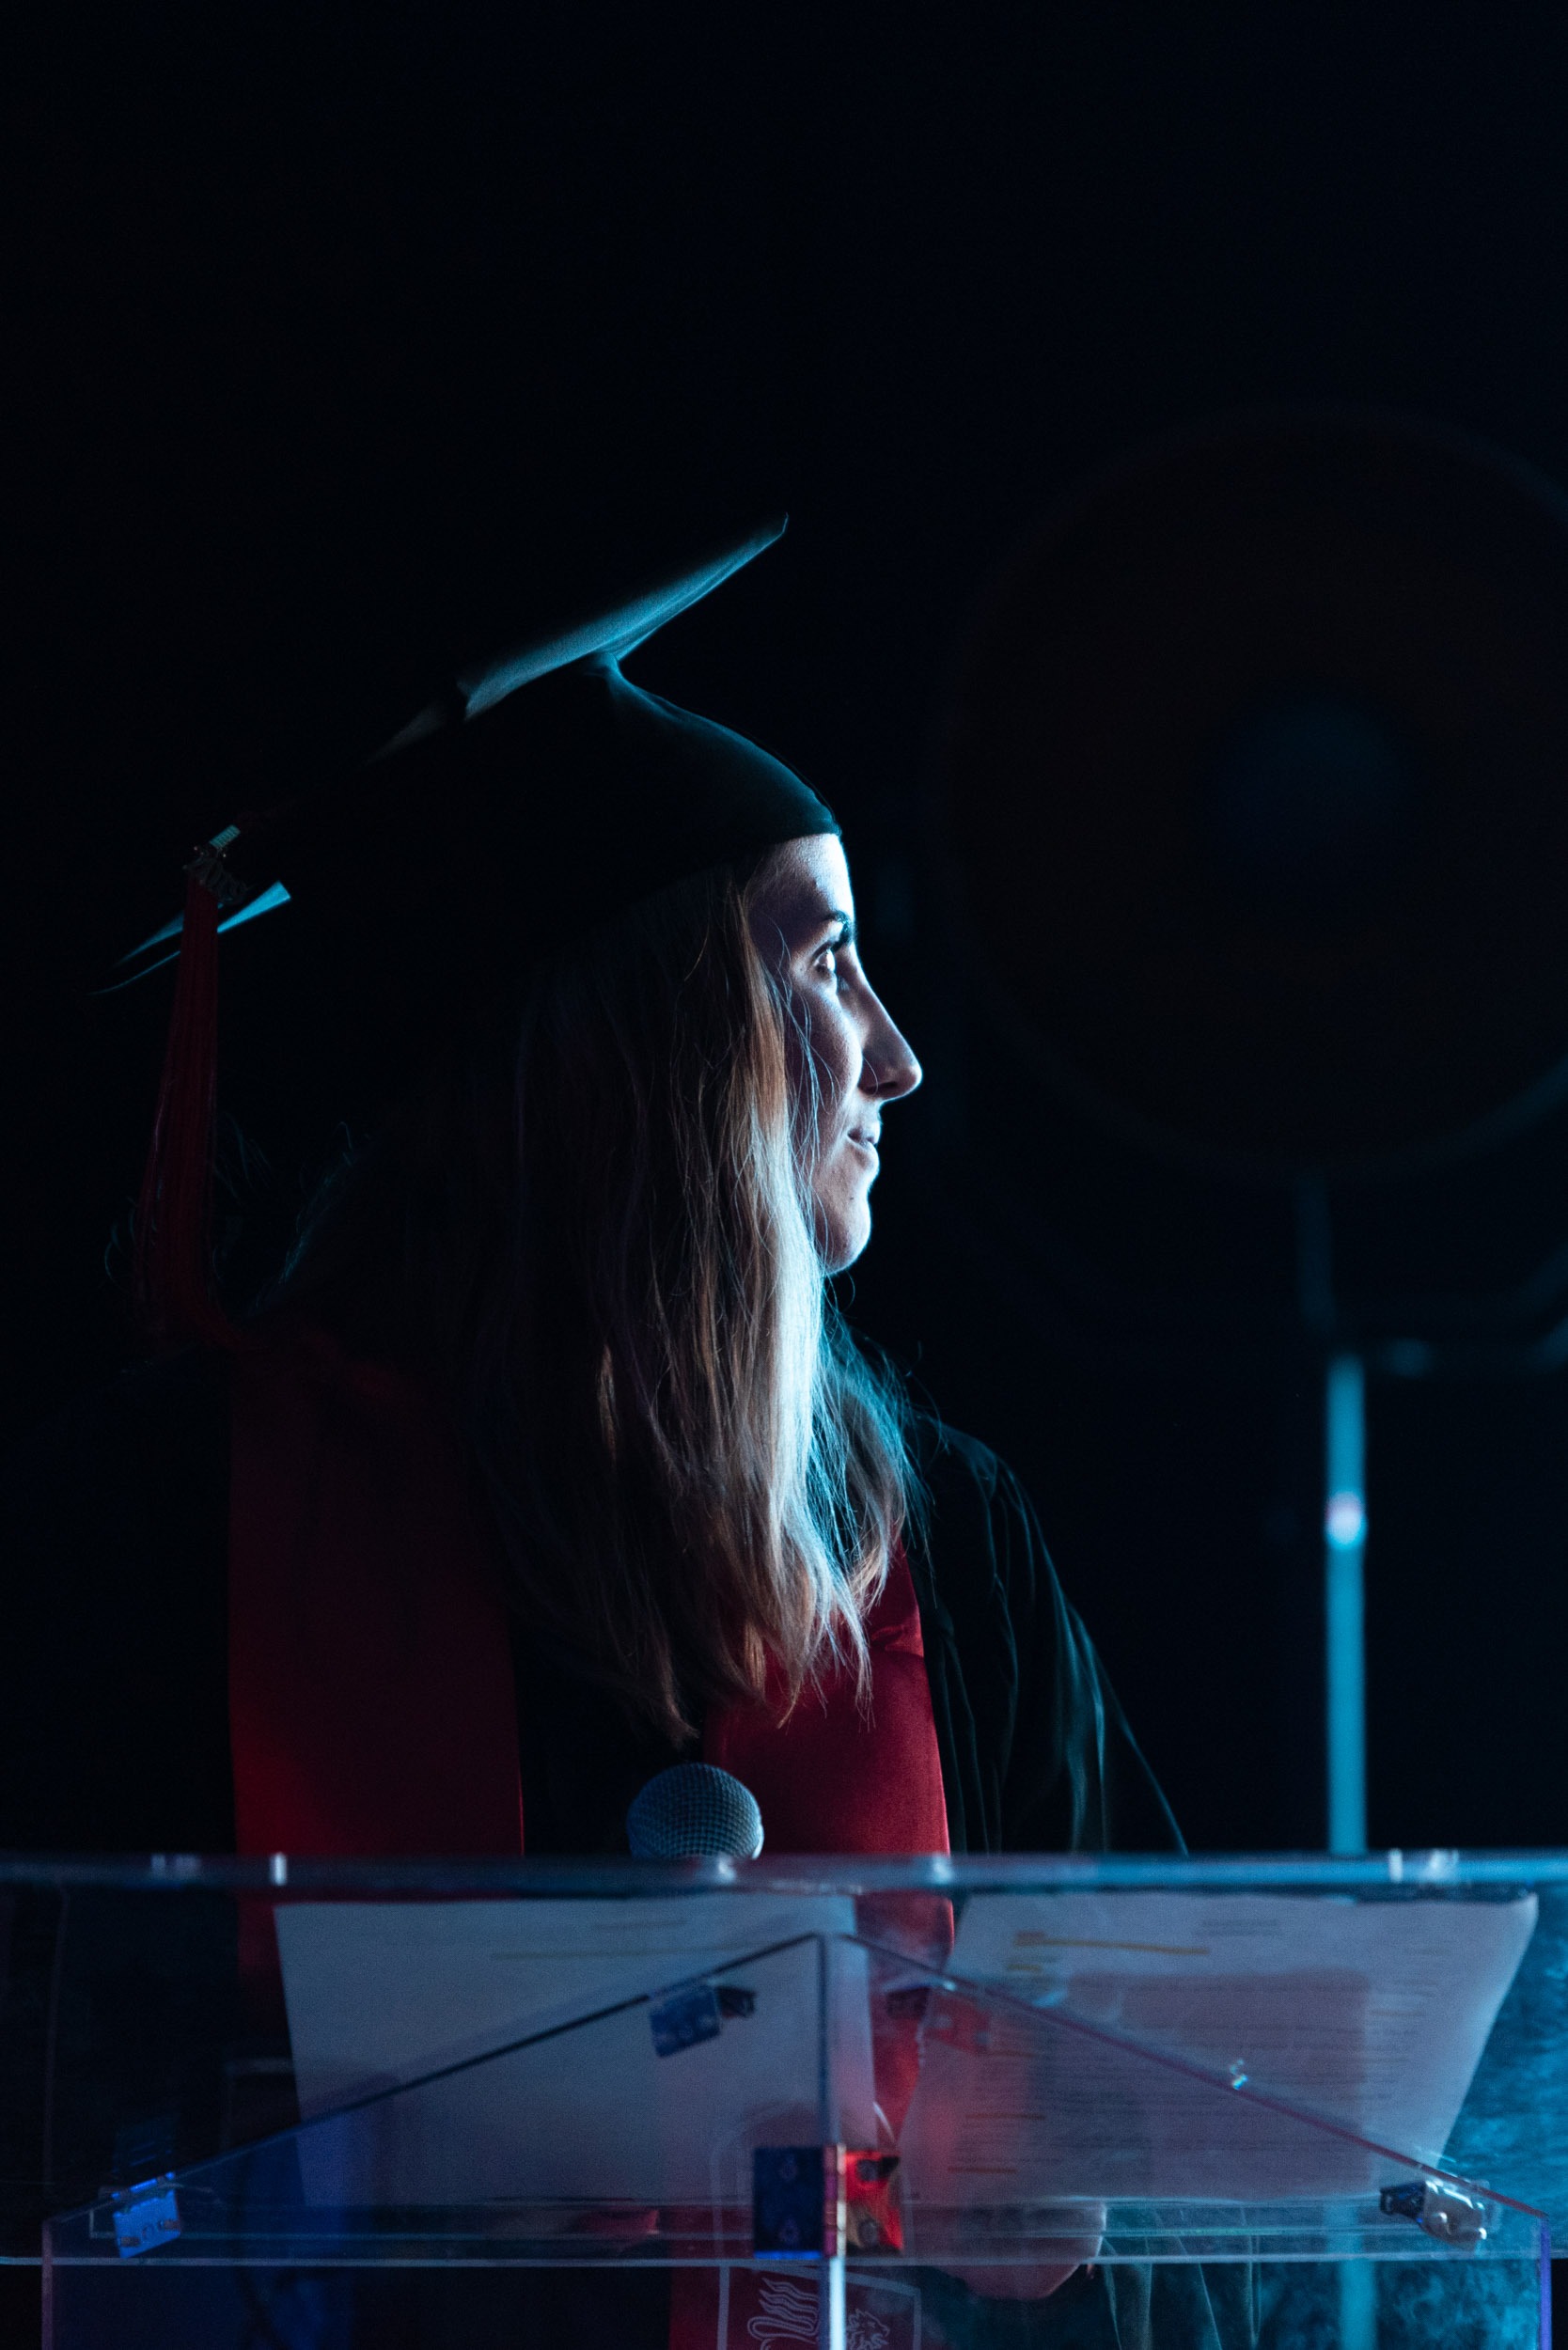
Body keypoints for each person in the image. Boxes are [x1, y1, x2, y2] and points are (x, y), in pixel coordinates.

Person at [0, 521, 1247, 2346]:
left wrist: (1031, 2243)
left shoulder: (935, 1541)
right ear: (645, 1045)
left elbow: (1163, 2198)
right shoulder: (158, 1522)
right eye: (820, 960)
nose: (893, 1054)